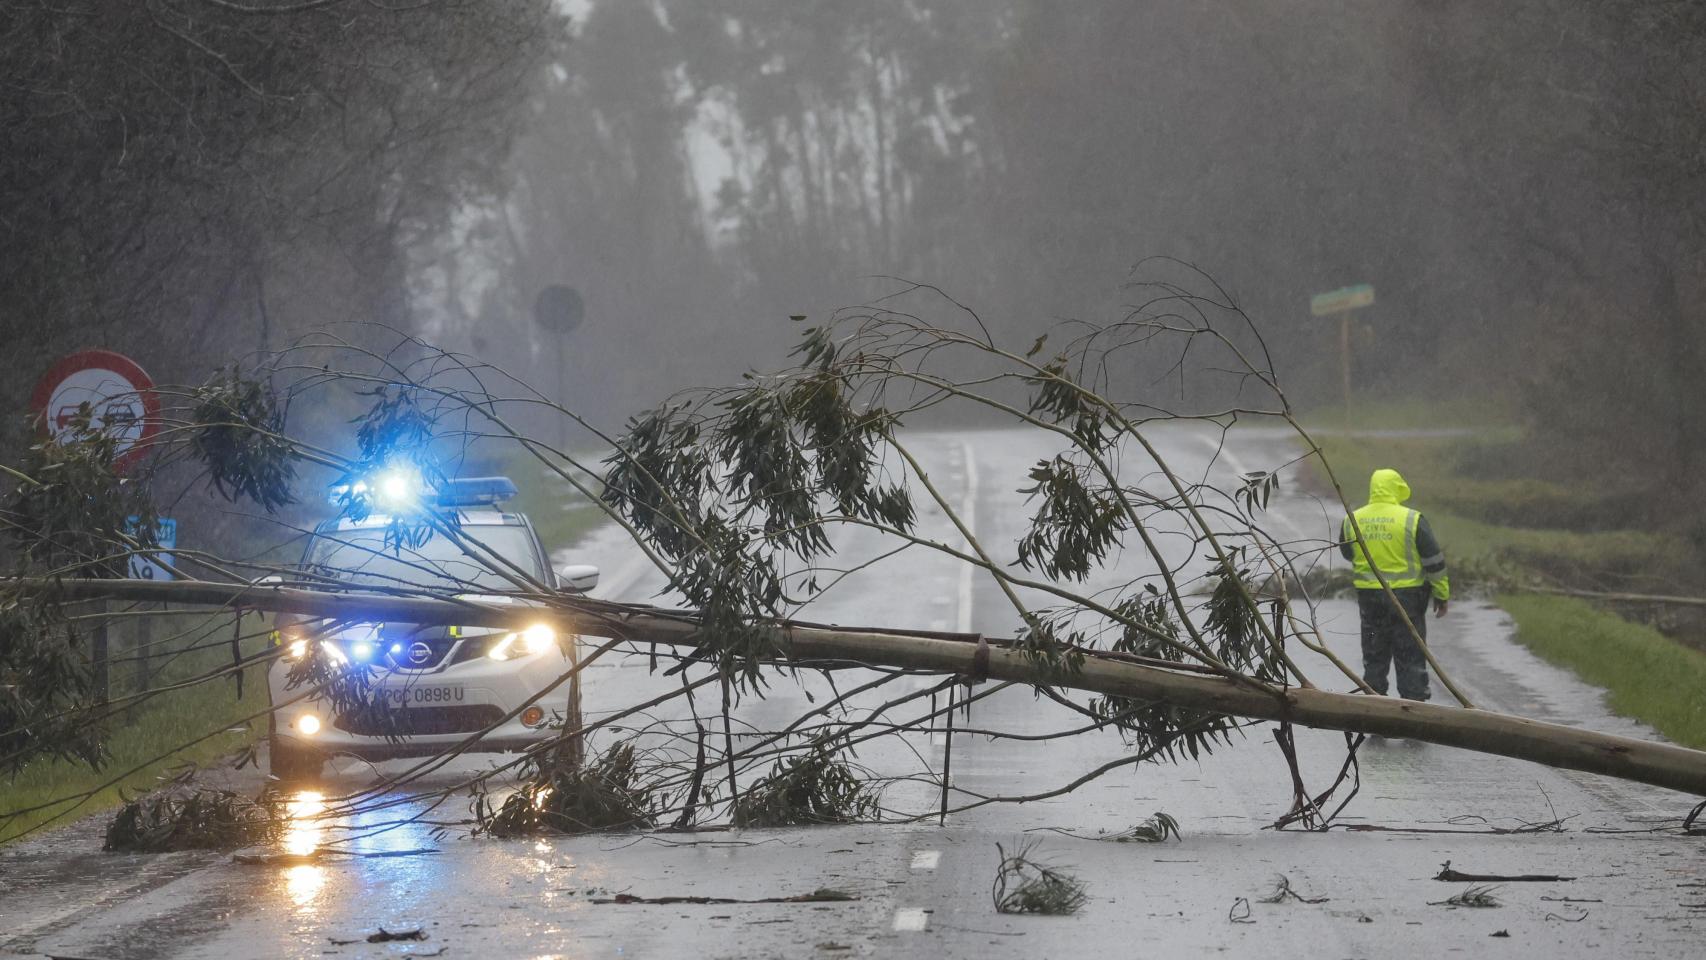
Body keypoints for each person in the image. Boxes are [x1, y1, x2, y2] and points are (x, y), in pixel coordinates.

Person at [1339, 468, 1449, 701]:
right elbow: (1434, 562)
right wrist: (1441, 595)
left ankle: (1374, 702)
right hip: (1408, 598)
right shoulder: (1412, 519)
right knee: (1410, 652)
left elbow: (1347, 552)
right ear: (1398, 488)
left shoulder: (1352, 519)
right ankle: (1413, 706)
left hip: (1370, 599)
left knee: (1374, 652)